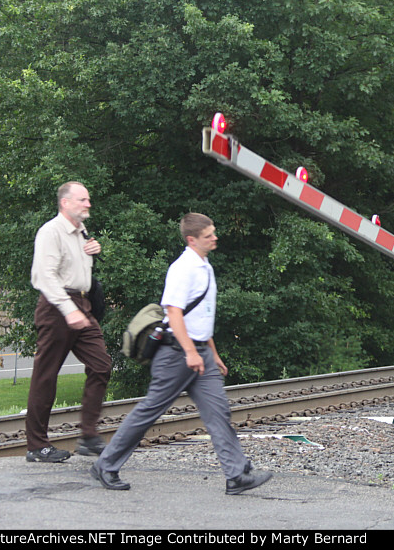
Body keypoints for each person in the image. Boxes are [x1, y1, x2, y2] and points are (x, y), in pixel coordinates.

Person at [90, 213, 272, 495]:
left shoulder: (205, 266)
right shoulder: (183, 268)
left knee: (218, 412)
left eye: (213, 232)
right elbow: (173, 312)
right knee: (150, 410)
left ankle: (236, 476)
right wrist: (190, 352)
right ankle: (106, 464)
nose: (215, 237)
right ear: (192, 240)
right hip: (177, 354)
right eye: (208, 235)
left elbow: (200, 315)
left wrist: (212, 353)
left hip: (200, 353)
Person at [27, 181, 112, 462]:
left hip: (82, 305)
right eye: (83, 200)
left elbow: (75, 271)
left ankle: (88, 436)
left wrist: (93, 254)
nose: (88, 204)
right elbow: (44, 277)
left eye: (88, 200)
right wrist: (68, 309)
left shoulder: (80, 233)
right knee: (46, 376)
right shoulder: (50, 232)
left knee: (101, 365)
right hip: (57, 307)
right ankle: (37, 446)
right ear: (65, 202)